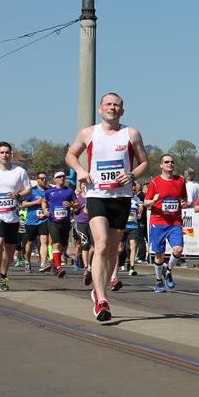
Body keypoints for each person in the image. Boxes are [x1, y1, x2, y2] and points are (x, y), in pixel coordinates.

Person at [66, 92, 148, 321]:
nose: (112, 107)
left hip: (121, 198)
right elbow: (71, 155)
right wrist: (80, 171)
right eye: (108, 104)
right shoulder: (89, 133)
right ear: (100, 109)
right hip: (97, 196)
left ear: (122, 110)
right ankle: (101, 299)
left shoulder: (131, 133)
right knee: (101, 244)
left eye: (117, 105)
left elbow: (144, 163)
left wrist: (131, 175)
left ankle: (98, 288)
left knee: (113, 249)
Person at [0, 141, 32, 292]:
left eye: (7, 152)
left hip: (13, 214)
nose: (5, 155)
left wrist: (18, 195)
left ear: (11, 155)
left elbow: (28, 190)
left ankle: (3, 275)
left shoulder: (20, 171)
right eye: (2, 152)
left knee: (9, 249)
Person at [144, 154, 187, 292]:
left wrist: (184, 202)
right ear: (161, 165)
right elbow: (146, 203)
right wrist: (154, 200)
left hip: (175, 222)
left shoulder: (180, 180)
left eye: (172, 162)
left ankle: (168, 270)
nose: (170, 164)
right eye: (166, 162)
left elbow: (184, 197)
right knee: (159, 255)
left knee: (178, 249)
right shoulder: (154, 182)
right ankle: (158, 281)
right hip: (158, 222)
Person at [42, 171, 78, 278]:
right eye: (59, 177)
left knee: (63, 246)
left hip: (65, 222)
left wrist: (71, 204)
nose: (62, 178)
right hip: (53, 221)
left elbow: (77, 204)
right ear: (55, 179)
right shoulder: (49, 191)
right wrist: (45, 210)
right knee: (56, 244)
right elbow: (44, 202)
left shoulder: (69, 191)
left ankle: (53, 262)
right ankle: (59, 267)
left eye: (63, 176)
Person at [21, 172, 50, 274]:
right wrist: (36, 202)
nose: (44, 180)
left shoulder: (49, 191)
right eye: (41, 178)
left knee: (44, 240)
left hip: (44, 220)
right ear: (37, 180)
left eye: (45, 178)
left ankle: (43, 263)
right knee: (30, 242)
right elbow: (23, 204)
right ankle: (27, 261)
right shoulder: (31, 191)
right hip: (31, 221)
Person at [115, 182, 143, 281]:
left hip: (133, 226)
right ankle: (114, 264)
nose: (133, 192)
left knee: (133, 245)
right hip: (122, 226)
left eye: (135, 190)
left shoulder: (137, 199)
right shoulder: (122, 197)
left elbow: (141, 207)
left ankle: (132, 267)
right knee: (120, 248)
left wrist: (140, 211)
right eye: (132, 190)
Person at [73, 182, 93, 285]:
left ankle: (91, 265)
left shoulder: (92, 196)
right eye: (83, 184)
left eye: (86, 184)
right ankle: (86, 267)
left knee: (94, 245)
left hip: (92, 223)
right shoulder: (77, 197)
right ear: (80, 186)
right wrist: (78, 208)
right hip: (80, 222)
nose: (85, 186)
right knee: (84, 244)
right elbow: (73, 209)